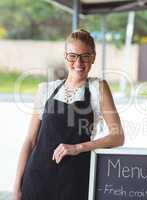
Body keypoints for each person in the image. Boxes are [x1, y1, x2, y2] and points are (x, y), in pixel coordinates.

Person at [12, 29, 124, 200]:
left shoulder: (98, 88)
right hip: (36, 180)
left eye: (85, 56)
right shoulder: (46, 89)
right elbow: (30, 141)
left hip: (75, 182)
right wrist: (16, 190)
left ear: (93, 57)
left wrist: (78, 147)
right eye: (73, 56)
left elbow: (118, 136)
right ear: (66, 57)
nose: (78, 62)